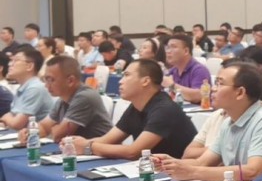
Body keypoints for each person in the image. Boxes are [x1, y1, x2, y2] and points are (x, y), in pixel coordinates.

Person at [154, 62, 262, 181]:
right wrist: (170, 163)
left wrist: (193, 172)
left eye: (220, 84)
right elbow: (202, 163)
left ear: (240, 92)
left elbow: (253, 171)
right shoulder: (227, 123)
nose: (213, 89)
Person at [67, 59, 196, 159]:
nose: (120, 81)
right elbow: (107, 140)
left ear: (145, 81)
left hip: (179, 175)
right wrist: (76, 143)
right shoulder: (135, 106)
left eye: (127, 75)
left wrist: (88, 146)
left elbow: (134, 152)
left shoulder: (165, 109)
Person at [17, 56, 112, 144]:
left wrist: (50, 130)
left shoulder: (85, 97)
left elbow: (59, 135)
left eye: (51, 80)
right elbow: (44, 127)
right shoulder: (63, 99)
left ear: (70, 81)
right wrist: (29, 133)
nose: (46, 85)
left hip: (103, 152)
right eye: (46, 80)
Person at [1, 48, 53, 129]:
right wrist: (7, 119)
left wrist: (6, 118)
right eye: (11, 60)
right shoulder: (23, 87)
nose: (10, 64)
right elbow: (12, 115)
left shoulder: (35, 88)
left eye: (16, 60)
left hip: (36, 135)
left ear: (29, 66)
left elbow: (17, 124)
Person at [162, 34, 212, 103]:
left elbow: (199, 96)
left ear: (186, 51)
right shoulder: (173, 70)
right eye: (167, 47)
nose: (168, 51)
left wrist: (172, 86)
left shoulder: (199, 70)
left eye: (173, 47)